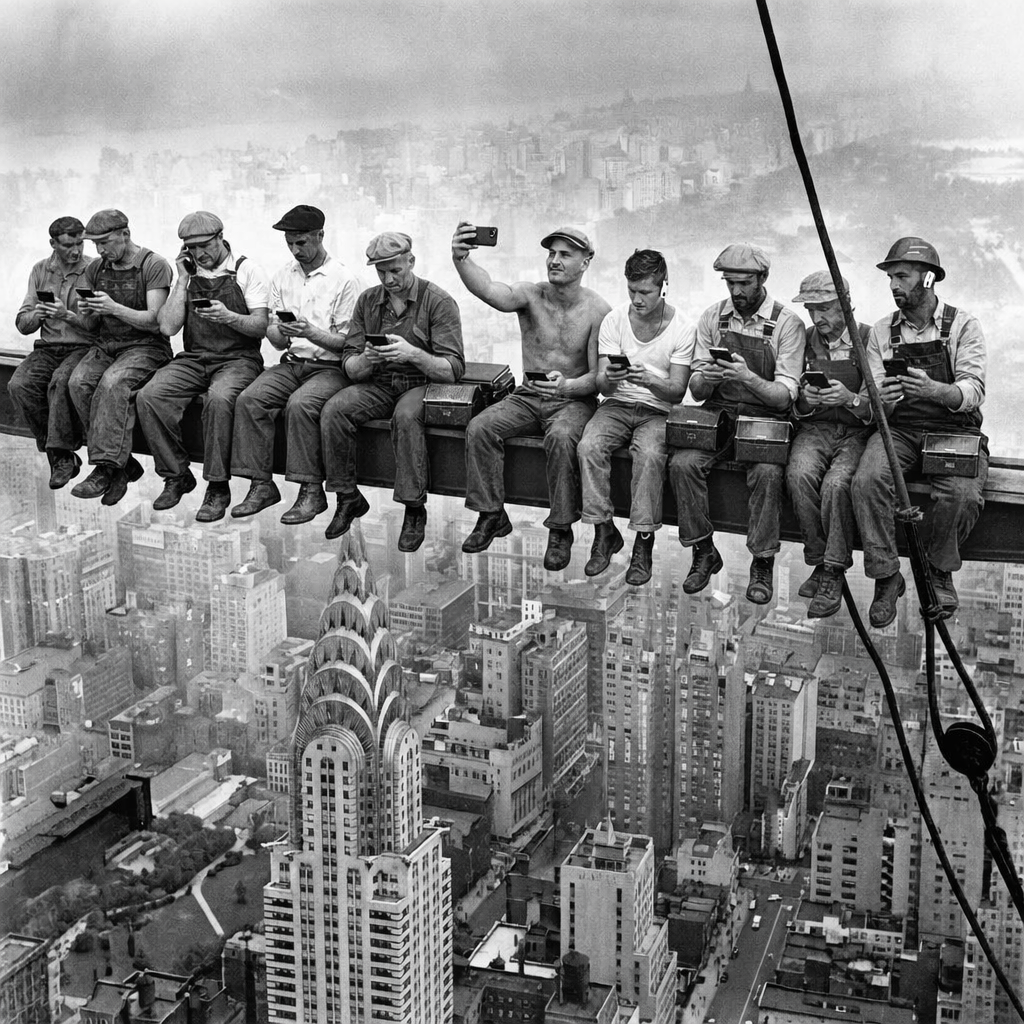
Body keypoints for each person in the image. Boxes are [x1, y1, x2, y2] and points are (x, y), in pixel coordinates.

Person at [454, 223, 608, 571]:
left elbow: (598, 379)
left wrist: (566, 387)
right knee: (481, 427)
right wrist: (461, 258)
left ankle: (560, 528)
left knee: (563, 437)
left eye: (565, 254)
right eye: (551, 253)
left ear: (586, 262)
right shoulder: (531, 295)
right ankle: (491, 514)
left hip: (573, 401)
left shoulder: (598, 311)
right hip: (527, 396)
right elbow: (491, 290)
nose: (554, 261)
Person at [851, 237, 987, 627]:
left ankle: (938, 570)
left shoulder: (963, 326)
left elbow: (973, 391)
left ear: (928, 279)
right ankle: (885, 574)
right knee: (867, 480)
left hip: (952, 429)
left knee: (961, 493)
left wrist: (936, 390)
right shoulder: (881, 332)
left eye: (902, 276)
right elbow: (876, 398)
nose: (894, 285)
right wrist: (886, 400)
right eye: (890, 277)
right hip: (903, 429)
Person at [669, 243, 805, 604]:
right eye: (730, 284)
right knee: (683, 464)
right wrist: (710, 377)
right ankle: (703, 550)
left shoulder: (787, 324)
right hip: (720, 414)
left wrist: (747, 377)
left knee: (766, 472)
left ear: (763, 279)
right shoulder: (713, 318)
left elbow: (784, 397)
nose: (737, 292)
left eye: (744, 283)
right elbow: (696, 391)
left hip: (765, 418)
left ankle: (762, 560)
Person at [319, 231, 464, 546]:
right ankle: (346, 496)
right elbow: (350, 365)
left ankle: (414, 507)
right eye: (381, 271)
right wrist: (368, 359)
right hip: (379, 381)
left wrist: (411, 353)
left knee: (406, 417)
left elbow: (452, 370)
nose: (388, 278)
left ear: (411, 261)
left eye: (395, 270)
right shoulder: (368, 301)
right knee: (335, 410)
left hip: (422, 384)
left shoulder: (437, 302)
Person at [230, 205, 361, 522]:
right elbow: (274, 338)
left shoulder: (344, 280)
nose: (295, 249)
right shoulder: (282, 277)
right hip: (292, 363)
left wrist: (311, 333)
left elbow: (348, 343)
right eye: (290, 243)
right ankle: (261, 484)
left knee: (301, 405)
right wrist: (278, 331)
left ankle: (311, 491)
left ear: (320, 236)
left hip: (331, 368)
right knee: (250, 399)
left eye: (301, 242)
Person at [136, 212, 269, 522]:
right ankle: (176, 475)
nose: (200, 254)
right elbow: (168, 327)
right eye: (192, 248)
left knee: (220, 399)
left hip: (238, 359)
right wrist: (182, 279)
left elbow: (261, 326)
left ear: (221, 238)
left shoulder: (247, 270)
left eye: (205, 246)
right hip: (195, 358)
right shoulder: (187, 275)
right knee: (151, 395)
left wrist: (229, 317)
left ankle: (217, 486)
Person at [577, 249, 693, 585]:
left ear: (663, 287)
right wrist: (609, 378)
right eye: (631, 291)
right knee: (589, 446)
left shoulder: (682, 328)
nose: (637, 299)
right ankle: (603, 530)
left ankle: (644, 541)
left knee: (650, 455)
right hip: (617, 405)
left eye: (645, 292)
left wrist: (650, 380)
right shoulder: (614, 321)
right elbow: (602, 386)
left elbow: (678, 391)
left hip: (658, 410)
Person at [785, 271, 875, 618]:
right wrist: (807, 400)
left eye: (824, 309)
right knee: (798, 474)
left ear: (846, 305)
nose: (817, 318)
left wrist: (851, 398)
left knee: (838, 484)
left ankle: (834, 571)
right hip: (817, 428)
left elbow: (879, 408)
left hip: (856, 432)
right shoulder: (805, 342)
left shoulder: (869, 340)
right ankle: (819, 561)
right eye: (812, 310)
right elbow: (796, 406)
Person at [68, 209, 172, 505]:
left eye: (106, 242)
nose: (100, 250)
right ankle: (123, 466)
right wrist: (83, 311)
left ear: (125, 234)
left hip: (147, 347)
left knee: (114, 384)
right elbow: (89, 324)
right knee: (78, 383)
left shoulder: (154, 265)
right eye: (96, 245)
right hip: (107, 344)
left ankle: (105, 468)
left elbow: (155, 321)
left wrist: (113, 307)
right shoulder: (96, 270)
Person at [11, 216, 98, 489]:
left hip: (83, 346)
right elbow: (23, 324)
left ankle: (60, 455)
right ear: (53, 244)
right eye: (68, 245)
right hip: (48, 347)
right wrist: (37, 314)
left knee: (61, 382)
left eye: (80, 244)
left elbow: (99, 326)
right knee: (19, 385)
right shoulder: (40, 271)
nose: (76, 251)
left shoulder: (94, 270)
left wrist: (68, 315)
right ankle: (60, 454)